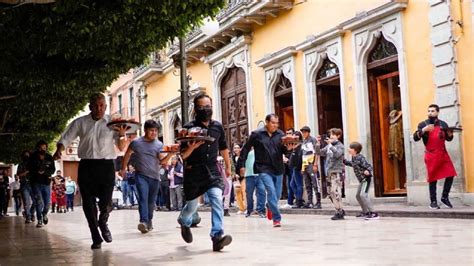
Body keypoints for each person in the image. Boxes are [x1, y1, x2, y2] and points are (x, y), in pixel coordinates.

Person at [53, 93, 128, 249]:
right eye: (95, 105)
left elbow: (121, 147)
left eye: (101, 105)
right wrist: (59, 149)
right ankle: (95, 236)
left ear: (105, 107)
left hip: (107, 166)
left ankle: (103, 222)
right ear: (90, 107)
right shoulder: (80, 122)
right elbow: (67, 136)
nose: (98, 108)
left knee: (106, 201)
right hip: (86, 166)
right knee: (88, 204)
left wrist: (121, 135)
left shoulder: (112, 123)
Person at [178, 93, 232, 252]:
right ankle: (184, 221)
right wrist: (192, 147)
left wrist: (229, 166)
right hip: (193, 171)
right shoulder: (187, 129)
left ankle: (217, 236)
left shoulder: (217, 126)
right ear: (195, 109)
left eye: (208, 106)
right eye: (202, 107)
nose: (205, 110)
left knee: (216, 198)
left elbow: (223, 148)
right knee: (192, 205)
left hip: (212, 170)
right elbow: (183, 156)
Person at [237, 114, 296, 227]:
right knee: (271, 191)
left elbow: (284, 150)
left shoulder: (280, 134)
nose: (275, 125)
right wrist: (241, 165)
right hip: (263, 168)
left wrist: (288, 149)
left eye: (277, 123)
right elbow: (245, 149)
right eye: (273, 123)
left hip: (278, 167)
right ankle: (276, 218)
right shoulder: (256, 134)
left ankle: (270, 205)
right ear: (267, 122)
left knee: (277, 195)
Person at [120, 119, 174, 234]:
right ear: (145, 130)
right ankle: (143, 221)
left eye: (155, 131)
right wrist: (123, 169)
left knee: (151, 201)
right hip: (141, 175)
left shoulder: (159, 144)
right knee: (143, 198)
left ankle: (149, 221)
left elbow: (163, 162)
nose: (154, 133)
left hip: (155, 177)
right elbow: (127, 155)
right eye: (151, 131)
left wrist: (171, 154)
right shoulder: (136, 143)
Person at [413, 104, 457, 209]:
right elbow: (415, 137)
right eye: (428, 111)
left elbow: (448, 139)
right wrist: (423, 130)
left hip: (443, 153)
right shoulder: (423, 124)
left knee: (451, 174)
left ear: (437, 112)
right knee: (433, 178)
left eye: (432, 111)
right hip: (431, 154)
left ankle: (444, 197)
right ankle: (433, 202)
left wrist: (450, 135)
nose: (430, 113)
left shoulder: (443, 124)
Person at [343, 142, 379, 220]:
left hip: (366, 179)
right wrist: (344, 161)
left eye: (350, 148)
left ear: (355, 150)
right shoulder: (354, 157)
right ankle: (365, 212)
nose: (348, 149)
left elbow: (369, 166)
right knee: (358, 196)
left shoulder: (360, 157)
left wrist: (368, 171)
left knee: (363, 195)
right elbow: (353, 164)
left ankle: (373, 213)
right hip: (362, 180)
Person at [316, 128, 345, 220]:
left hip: (337, 172)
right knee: (330, 193)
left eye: (333, 134)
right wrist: (317, 144)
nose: (331, 136)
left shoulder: (340, 146)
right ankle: (339, 209)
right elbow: (319, 153)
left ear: (338, 136)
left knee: (336, 192)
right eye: (330, 134)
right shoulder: (329, 146)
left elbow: (338, 154)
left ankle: (339, 212)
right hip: (329, 173)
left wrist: (330, 145)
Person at [28, 140, 55, 227]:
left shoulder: (49, 157)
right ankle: (39, 220)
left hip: (46, 183)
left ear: (46, 148)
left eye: (44, 147)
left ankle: (44, 214)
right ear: (38, 148)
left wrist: (44, 172)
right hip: (35, 182)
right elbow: (29, 168)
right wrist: (36, 170)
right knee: (39, 202)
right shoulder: (32, 157)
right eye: (40, 147)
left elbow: (52, 170)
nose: (42, 149)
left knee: (47, 203)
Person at [300, 126, 321, 209]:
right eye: (302, 132)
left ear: (308, 132)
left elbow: (317, 152)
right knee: (307, 184)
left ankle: (318, 202)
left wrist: (315, 164)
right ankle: (310, 201)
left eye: (305, 132)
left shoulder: (313, 140)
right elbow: (303, 155)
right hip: (305, 165)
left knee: (315, 183)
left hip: (312, 164)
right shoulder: (303, 141)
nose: (303, 134)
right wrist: (302, 167)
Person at [244, 148, 266, 218]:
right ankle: (249, 210)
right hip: (249, 175)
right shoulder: (247, 152)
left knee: (262, 192)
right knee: (249, 194)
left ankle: (261, 210)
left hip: (260, 175)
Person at [16, 150, 34, 223]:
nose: (26, 156)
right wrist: (26, 172)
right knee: (26, 202)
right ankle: (28, 217)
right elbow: (18, 175)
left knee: (36, 201)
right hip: (24, 184)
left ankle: (31, 213)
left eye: (28, 155)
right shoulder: (20, 165)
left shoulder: (33, 164)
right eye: (25, 155)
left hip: (33, 184)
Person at [288, 131, 305, 209]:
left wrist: (301, 167)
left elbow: (300, 158)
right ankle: (299, 199)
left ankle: (299, 201)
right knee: (292, 184)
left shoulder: (300, 146)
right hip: (294, 167)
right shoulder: (295, 146)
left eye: (295, 137)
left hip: (298, 167)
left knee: (298, 185)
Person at [232, 144, 246, 215]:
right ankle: (241, 208)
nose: (236, 149)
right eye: (235, 148)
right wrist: (234, 174)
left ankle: (246, 208)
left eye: (237, 148)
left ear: (240, 149)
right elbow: (231, 167)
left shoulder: (243, 157)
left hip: (243, 177)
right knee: (238, 193)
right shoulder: (232, 158)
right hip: (236, 178)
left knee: (244, 192)